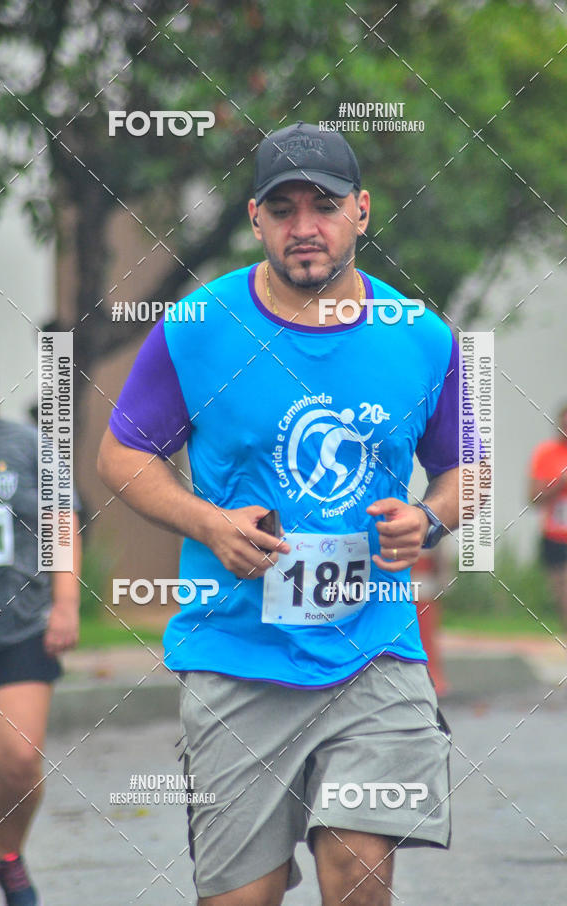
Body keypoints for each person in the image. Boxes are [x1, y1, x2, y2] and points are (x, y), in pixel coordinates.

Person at [98, 122, 461, 906]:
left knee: (359, 870)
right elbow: (120, 456)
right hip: (235, 654)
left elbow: (470, 468)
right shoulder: (199, 327)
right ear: (256, 218)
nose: (305, 227)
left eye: (325, 205)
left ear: (361, 212)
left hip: (372, 650)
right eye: (283, 207)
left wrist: (429, 518)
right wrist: (208, 523)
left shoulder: (422, 337)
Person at [0, 335, 81, 906]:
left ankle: (6, 853)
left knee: (17, 758)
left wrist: (65, 603)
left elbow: (63, 522)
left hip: (19, 626)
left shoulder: (31, 446)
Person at [529, 403, 567, 629]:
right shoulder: (546, 454)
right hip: (556, 536)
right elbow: (533, 498)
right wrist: (559, 484)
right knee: (562, 592)